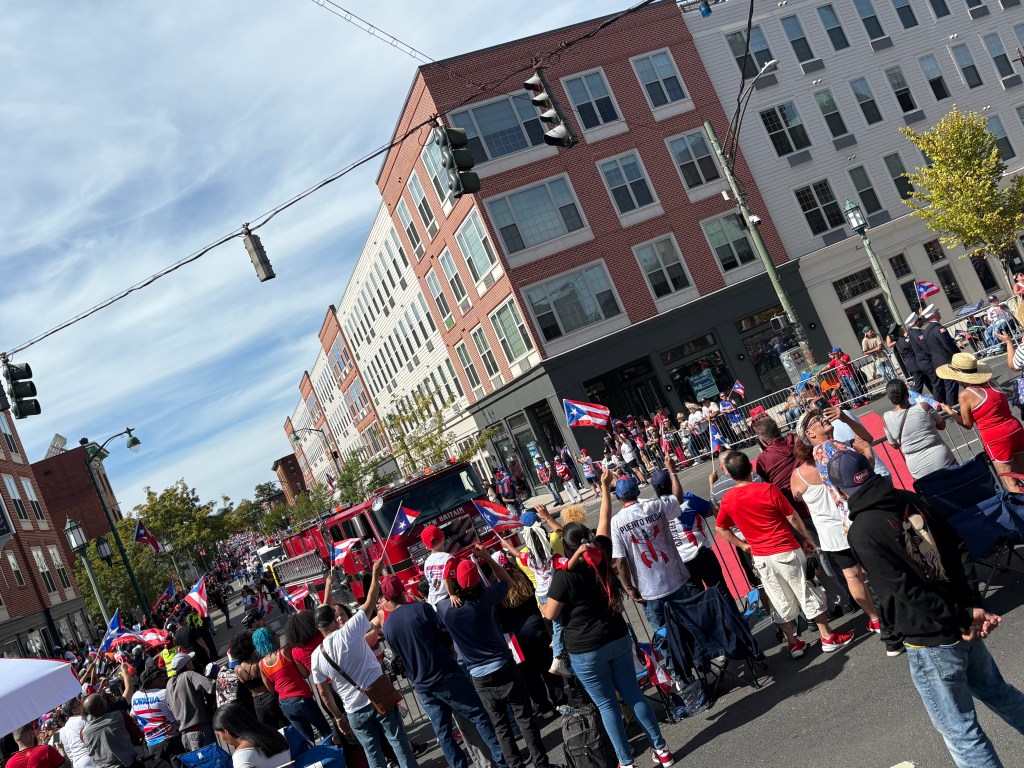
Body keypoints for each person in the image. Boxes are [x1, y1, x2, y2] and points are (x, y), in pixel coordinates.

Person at [832, 449, 1024, 768]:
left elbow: (903, 590)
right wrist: (971, 606)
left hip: (930, 637)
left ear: (839, 491)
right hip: (961, 618)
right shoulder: (909, 500)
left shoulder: (862, 530)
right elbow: (956, 549)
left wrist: (964, 614)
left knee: (960, 731)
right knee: (998, 693)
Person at [543, 518, 675, 768]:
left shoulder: (564, 577)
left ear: (566, 548)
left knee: (607, 706)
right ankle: (662, 749)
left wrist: (542, 606)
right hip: (616, 636)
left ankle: (626, 762)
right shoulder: (601, 559)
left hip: (586, 649)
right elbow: (604, 519)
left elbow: (550, 613)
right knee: (633, 694)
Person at [714, 450, 853, 659]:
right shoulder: (767, 489)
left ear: (730, 474)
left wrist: (743, 545)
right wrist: (806, 537)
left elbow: (721, 528)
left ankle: (793, 643)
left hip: (761, 556)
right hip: (784, 548)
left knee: (779, 598)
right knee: (806, 590)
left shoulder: (728, 499)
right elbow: (791, 516)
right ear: (750, 468)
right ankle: (827, 636)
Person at [437, 546, 556, 768]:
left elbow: (443, 592)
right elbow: (508, 582)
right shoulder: (486, 597)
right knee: (524, 717)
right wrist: (488, 559)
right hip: (503, 665)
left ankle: (514, 765)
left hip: (479, 676)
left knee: (500, 725)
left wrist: (450, 588)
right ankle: (542, 764)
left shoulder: (446, 610)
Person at [380, 574, 508, 768]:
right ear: (403, 591)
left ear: (387, 598)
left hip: (422, 685)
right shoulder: (421, 608)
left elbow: (399, 657)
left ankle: (459, 765)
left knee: (443, 733)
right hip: (445, 674)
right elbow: (443, 631)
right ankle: (501, 759)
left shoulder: (388, 626)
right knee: (478, 714)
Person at [311, 560, 420, 768]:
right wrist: (375, 574)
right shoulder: (349, 631)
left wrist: (338, 717)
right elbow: (370, 601)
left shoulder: (316, 656)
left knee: (373, 756)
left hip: (353, 710)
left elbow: (323, 692)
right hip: (379, 694)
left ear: (318, 627)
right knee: (399, 744)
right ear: (334, 620)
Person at [789, 439, 880, 634]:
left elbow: (796, 496)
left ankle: (874, 618)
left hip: (831, 533)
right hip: (852, 522)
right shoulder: (837, 463)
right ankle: (887, 607)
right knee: (874, 567)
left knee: (852, 576)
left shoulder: (798, 475)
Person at [609, 457, 693, 636]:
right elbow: (677, 499)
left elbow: (621, 560)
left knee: (663, 636)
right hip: (675, 578)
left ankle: (672, 655)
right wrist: (672, 472)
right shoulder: (655, 506)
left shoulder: (617, 522)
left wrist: (629, 587)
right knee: (689, 625)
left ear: (618, 497)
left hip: (649, 589)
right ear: (638, 492)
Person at [937, 352, 1024, 491]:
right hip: (1015, 428)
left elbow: (967, 424)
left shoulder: (966, 394)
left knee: (1011, 483)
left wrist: (950, 412)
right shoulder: (993, 382)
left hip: (996, 438)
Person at [499, 508, 570, 677]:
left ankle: (559, 651)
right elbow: (563, 533)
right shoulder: (554, 547)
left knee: (556, 628)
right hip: (558, 594)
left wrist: (508, 546)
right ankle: (557, 655)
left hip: (541, 599)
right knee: (561, 627)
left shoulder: (526, 557)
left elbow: (518, 554)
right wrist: (548, 517)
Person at [651, 469, 725, 594]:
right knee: (720, 590)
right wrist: (712, 484)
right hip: (701, 552)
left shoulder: (654, 509)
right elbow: (712, 509)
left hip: (680, 562)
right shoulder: (688, 498)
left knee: (696, 598)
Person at [256, 628, 330, 744]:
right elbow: (305, 674)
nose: (278, 635)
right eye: (275, 634)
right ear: (272, 638)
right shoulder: (285, 652)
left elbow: (270, 688)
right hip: (302, 698)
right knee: (326, 732)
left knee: (307, 741)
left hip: (285, 705)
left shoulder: (261, 664)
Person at [882, 379, 956, 480]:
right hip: (941, 458)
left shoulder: (886, 418)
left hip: (917, 468)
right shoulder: (924, 407)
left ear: (889, 397)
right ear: (907, 393)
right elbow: (942, 425)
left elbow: (895, 445)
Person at [126, 666, 182, 761]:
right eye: (161, 676)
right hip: (172, 741)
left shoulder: (136, 696)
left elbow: (132, 716)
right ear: (152, 681)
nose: (164, 677)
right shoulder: (164, 693)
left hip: (152, 746)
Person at [212, 702, 291, 768]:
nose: (221, 738)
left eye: (219, 735)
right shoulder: (275, 734)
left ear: (226, 731)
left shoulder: (241, 755)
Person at [164, 651, 216, 751]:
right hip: (200, 730)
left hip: (185, 736)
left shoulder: (169, 684)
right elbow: (212, 686)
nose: (192, 663)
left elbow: (169, 706)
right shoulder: (189, 675)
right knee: (211, 759)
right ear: (187, 664)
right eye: (190, 661)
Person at [232, 632, 284, 727]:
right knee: (285, 727)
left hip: (257, 704)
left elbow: (245, 685)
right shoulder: (259, 664)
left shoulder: (237, 670)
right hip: (271, 698)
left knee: (270, 732)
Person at [81, 694, 142, 768]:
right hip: (129, 764)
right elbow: (137, 736)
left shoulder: (83, 733)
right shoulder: (120, 716)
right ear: (102, 704)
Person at [922, 304, 961, 406]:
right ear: (934, 314)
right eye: (937, 311)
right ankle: (953, 407)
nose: (939, 312)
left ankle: (953, 405)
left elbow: (926, 349)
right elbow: (948, 345)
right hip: (947, 361)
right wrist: (959, 356)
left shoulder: (926, 331)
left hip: (937, 362)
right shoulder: (939, 328)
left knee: (949, 386)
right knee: (951, 386)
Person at [887, 322, 928, 394]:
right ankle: (912, 398)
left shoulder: (899, 340)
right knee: (918, 385)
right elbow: (913, 347)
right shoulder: (904, 340)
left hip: (913, 364)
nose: (902, 329)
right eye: (900, 328)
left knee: (927, 380)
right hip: (914, 364)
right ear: (899, 331)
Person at [420, 525, 453, 607]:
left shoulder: (427, 562)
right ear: (443, 538)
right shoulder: (448, 558)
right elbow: (448, 578)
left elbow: (429, 579)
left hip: (432, 600)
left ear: (427, 547)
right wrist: (452, 594)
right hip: (447, 599)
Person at [58, 700, 94, 768]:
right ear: (74, 711)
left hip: (76, 763)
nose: (82, 705)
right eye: (79, 704)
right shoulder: (83, 719)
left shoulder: (66, 726)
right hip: (89, 758)